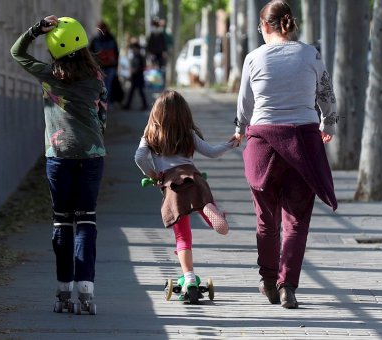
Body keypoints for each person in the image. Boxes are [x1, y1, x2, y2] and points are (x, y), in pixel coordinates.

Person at [232, 0, 338, 309]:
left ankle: (267, 280)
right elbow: (327, 94)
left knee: (267, 220)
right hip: (303, 141)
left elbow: (245, 104)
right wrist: (327, 122)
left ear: (265, 26)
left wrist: (240, 130)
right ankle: (287, 285)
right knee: (297, 220)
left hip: (263, 144)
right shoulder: (310, 54)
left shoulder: (253, 58)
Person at [10, 15, 107, 314]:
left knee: (63, 222)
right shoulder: (96, 78)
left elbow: (17, 52)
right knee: (86, 220)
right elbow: (103, 116)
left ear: (54, 49)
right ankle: (87, 290)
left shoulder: (49, 74)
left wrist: (36, 30)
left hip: (59, 156)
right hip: (91, 155)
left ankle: (64, 289)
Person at [135, 90, 237, 304]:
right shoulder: (188, 133)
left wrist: (153, 175)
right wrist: (231, 144)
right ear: (184, 114)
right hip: (193, 178)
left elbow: (139, 157)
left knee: (183, 237)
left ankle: (189, 279)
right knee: (203, 202)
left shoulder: (151, 135)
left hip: (172, 186)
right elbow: (211, 152)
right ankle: (215, 216)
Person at [90, 21, 120, 104]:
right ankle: (103, 103)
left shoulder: (110, 39)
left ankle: (106, 102)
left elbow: (116, 53)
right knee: (102, 86)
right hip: (100, 67)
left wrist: (116, 66)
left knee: (107, 86)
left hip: (109, 67)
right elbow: (90, 53)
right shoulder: (95, 40)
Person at [122, 42, 148, 110]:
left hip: (139, 77)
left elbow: (143, 67)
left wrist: (136, 70)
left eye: (135, 49)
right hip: (134, 77)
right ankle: (128, 105)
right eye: (133, 49)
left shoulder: (141, 57)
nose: (134, 50)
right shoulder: (134, 57)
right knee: (132, 92)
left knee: (140, 92)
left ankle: (144, 105)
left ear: (138, 49)